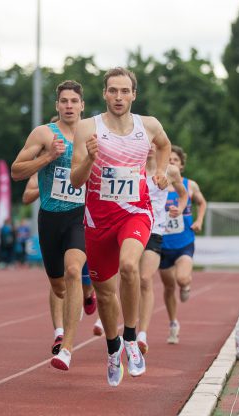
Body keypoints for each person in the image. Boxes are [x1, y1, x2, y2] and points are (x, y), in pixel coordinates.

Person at [71, 67, 171, 386]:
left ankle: (130, 337)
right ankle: (113, 348)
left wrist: (161, 171)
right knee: (104, 294)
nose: (118, 96)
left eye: (124, 91)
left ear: (133, 95)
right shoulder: (88, 128)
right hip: (98, 220)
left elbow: (165, 145)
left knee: (129, 266)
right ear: (104, 93)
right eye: (113, 90)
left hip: (135, 212)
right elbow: (76, 180)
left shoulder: (148, 125)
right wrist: (89, 159)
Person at [11, 80, 92, 371]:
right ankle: (80, 301)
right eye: (64, 101)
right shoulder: (44, 134)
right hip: (50, 217)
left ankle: (66, 348)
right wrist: (48, 157)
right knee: (58, 287)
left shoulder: (93, 133)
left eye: (74, 101)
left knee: (73, 271)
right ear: (57, 105)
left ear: (82, 105)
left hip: (81, 215)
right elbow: (16, 171)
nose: (69, 106)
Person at [137, 144, 187, 355]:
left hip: (155, 231)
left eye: (153, 143)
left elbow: (183, 195)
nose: (149, 147)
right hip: (131, 227)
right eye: (146, 142)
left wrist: (179, 209)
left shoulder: (170, 170)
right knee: (127, 273)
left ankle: (141, 334)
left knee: (145, 278)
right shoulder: (132, 165)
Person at [158, 145, 207, 345]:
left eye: (175, 160)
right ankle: (173, 323)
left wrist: (199, 220)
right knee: (168, 287)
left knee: (182, 278)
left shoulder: (189, 185)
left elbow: (202, 203)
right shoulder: (156, 183)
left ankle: (186, 284)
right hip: (162, 245)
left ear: (181, 165)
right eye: (168, 159)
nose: (171, 162)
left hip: (184, 243)